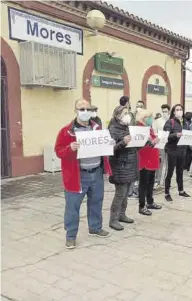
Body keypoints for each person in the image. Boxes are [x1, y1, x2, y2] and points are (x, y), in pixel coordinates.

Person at [55, 99, 111, 249]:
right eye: (81, 109)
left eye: (87, 109)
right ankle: (71, 235)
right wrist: (70, 147)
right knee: (72, 207)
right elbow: (59, 151)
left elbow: (104, 148)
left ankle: (95, 227)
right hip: (77, 176)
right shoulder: (66, 131)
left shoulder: (97, 129)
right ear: (75, 111)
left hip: (96, 173)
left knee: (96, 202)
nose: (85, 112)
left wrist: (109, 144)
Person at [108, 106, 138, 230]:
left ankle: (122, 214)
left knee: (126, 194)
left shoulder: (128, 128)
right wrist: (123, 142)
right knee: (120, 194)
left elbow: (133, 146)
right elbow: (110, 149)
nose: (128, 115)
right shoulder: (112, 129)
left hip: (130, 165)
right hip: (119, 166)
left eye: (128, 113)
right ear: (117, 115)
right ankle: (113, 219)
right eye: (125, 113)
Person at [136, 109, 162, 215]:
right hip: (144, 160)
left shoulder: (149, 128)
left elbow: (153, 139)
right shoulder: (139, 129)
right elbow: (141, 144)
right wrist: (152, 141)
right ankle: (141, 206)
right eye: (148, 117)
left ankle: (150, 202)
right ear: (143, 118)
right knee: (143, 184)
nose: (151, 119)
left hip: (152, 160)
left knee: (151, 182)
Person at [164, 104, 190, 202]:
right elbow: (166, 136)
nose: (179, 111)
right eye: (177, 109)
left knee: (180, 172)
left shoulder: (185, 123)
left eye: (180, 109)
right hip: (172, 151)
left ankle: (181, 190)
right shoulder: (170, 122)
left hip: (182, 151)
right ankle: (167, 192)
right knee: (170, 173)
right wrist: (175, 135)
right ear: (174, 112)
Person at [153, 104, 171, 188]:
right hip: (161, 144)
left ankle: (166, 181)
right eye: (163, 111)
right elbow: (154, 131)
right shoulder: (158, 121)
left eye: (166, 111)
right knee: (160, 162)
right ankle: (157, 180)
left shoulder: (172, 120)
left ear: (169, 111)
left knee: (169, 164)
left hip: (170, 144)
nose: (164, 113)